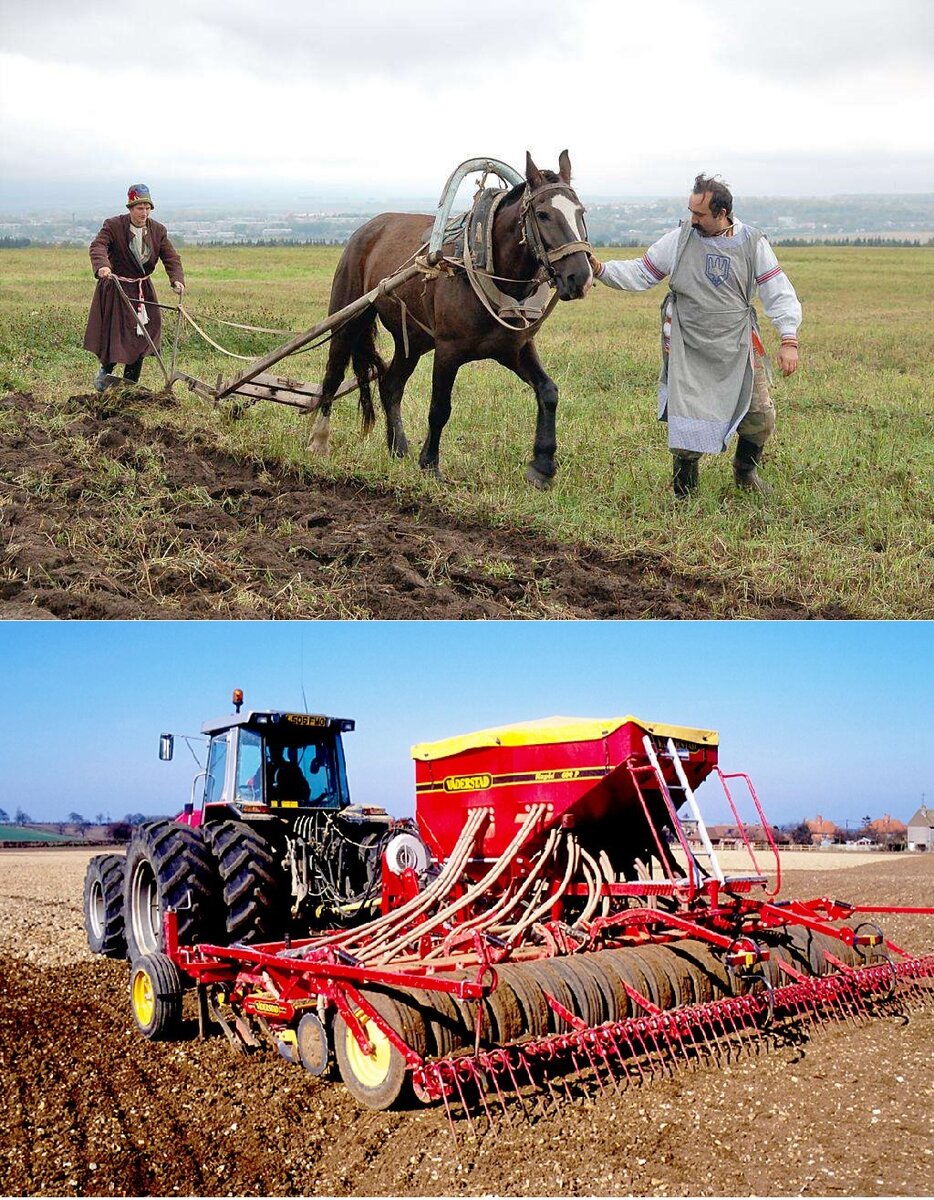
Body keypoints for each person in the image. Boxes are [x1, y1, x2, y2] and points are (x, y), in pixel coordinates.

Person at [590, 174, 801, 496]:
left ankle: (745, 475)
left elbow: (778, 292)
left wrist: (788, 339)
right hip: (688, 343)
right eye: (691, 211)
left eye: (700, 214)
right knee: (688, 417)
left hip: (738, 343)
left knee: (760, 416)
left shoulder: (753, 242)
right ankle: (683, 489)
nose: (692, 219)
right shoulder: (680, 238)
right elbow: (643, 272)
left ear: (722, 212)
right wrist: (601, 269)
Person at [83, 184, 185, 391]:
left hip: (142, 289)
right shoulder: (113, 226)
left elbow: (171, 257)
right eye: (140, 208)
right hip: (117, 288)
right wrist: (102, 266)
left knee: (142, 334)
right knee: (116, 333)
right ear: (130, 208)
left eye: (147, 208)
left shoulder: (158, 230)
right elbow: (98, 246)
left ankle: (130, 382)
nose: (144, 212)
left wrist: (177, 279)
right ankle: (106, 372)